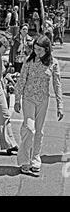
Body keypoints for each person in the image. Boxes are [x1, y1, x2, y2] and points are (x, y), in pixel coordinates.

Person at [14, 35, 64, 176]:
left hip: (43, 100)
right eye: (35, 49)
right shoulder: (29, 61)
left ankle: (35, 159)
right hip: (28, 99)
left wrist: (60, 105)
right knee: (29, 129)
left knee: (38, 131)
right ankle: (24, 160)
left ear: (47, 49)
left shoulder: (53, 63)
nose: (37, 52)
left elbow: (57, 84)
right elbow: (21, 80)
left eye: (40, 50)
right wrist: (17, 99)